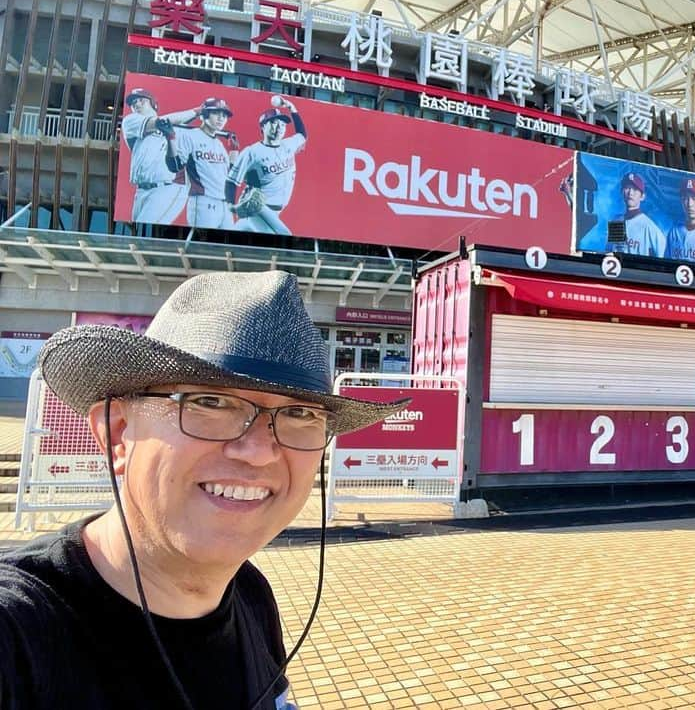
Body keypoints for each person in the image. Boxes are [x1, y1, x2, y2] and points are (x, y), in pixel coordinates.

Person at [0, 271, 405, 708]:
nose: (259, 452)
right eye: (210, 402)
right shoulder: (17, 633)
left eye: (300, 414)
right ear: (118, 434)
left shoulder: (250, 594)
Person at [226, 96, 308, 235]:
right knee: (284, 236)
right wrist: (230, 206)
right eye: (274, 123)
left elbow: (302, 134)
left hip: (275, 211)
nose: (279, 127)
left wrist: (292, 108)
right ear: (263, 126)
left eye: (282, 124)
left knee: (236, 236)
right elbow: (231, 181)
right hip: (257, 208)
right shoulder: (253, 152)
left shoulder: (288, 144)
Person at [122, 89, 199, 224]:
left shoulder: (178, 129)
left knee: (143, 231)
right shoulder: (130, 121)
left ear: (153, 104)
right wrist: (197, 111)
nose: (137, 104)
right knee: (137, 233)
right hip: (141, 190)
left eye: (142, 100)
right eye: (133, 102)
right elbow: (161, 122)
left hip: (167, 188)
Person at [166, 97, 239, 230]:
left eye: (224, 115)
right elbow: (174, 166)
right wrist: (170, 139)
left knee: (226, 247)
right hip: (203, 202)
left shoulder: (219, 144)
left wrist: (234, 152)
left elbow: (229, 176)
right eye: (216, 113)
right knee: (202, 245)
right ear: (204, 115)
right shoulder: (190, 136)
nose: (221, 118)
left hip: (224, 204)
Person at [605, 171, 665, 257]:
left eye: (635, 189)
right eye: (627, 188)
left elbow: (663, 255)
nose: (630, 193)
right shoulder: (616, 221)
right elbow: (609, 252)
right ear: (622, 192)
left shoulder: (648, 226)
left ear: (642, 196)